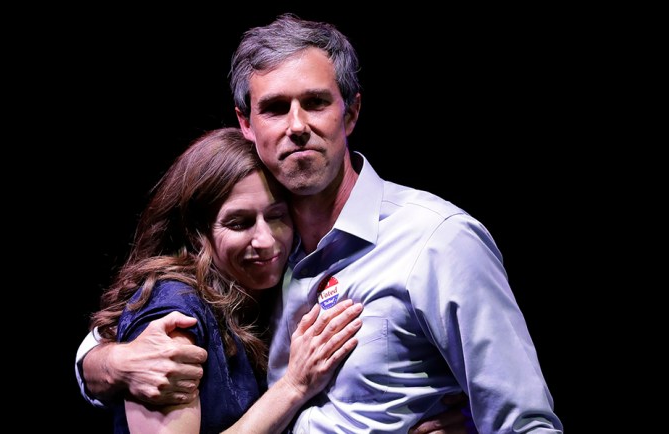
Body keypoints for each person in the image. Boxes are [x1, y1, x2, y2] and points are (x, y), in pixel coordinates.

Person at [78, 13, 563, 433]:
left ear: (350, 112)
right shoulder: (262, 250)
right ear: (247, 124)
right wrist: (107, 363)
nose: (296, 125)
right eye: (274, 107)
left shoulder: (438, 242)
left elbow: (524, 420)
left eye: (314, 102)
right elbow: (134, 324)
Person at [89, 127, 365, 433]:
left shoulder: (267, 286)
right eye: (239, 223)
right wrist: (293, 386)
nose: (265, 239)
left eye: (277, 216)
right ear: (196, 232)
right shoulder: (175, 312)